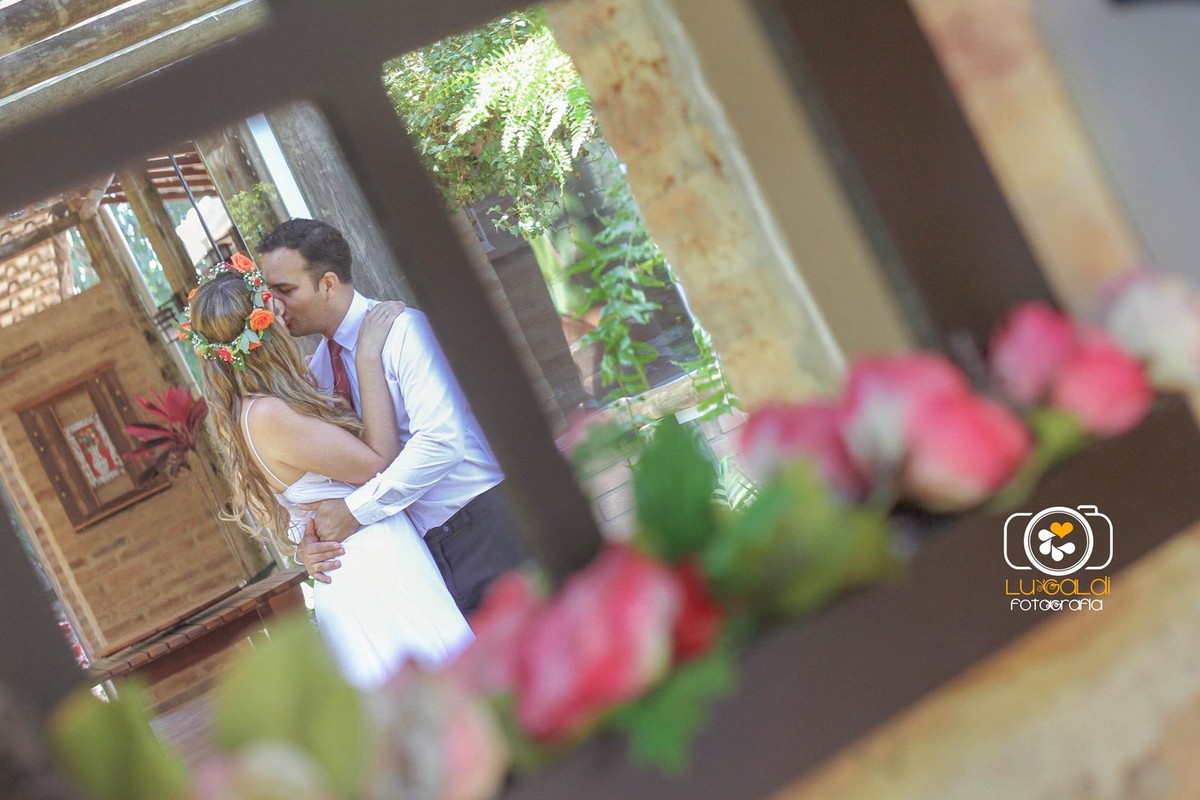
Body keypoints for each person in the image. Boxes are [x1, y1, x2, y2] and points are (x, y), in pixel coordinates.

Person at [186, 255, 472, 690]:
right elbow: (377, 463)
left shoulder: (276, 398)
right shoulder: (267, 415)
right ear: (262, 330)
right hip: (372, 571)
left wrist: (304, 543)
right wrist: (368, 357)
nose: (285, 314)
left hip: (374, 555)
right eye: (275, 308)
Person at [258, 219, 528, 617]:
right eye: (270, 293)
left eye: (285, 290)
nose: (276, 307)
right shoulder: (316, 373)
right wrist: (309, 541)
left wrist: (354, 512)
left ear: (328, 284)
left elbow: (441, 443)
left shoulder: (405, 333)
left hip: (484, 528)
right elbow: (318, 475)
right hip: (418, 561)